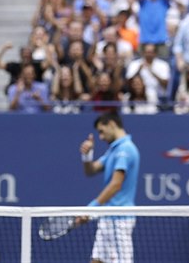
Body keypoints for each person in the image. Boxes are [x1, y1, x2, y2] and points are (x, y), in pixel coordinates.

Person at [78, 112, 140, 263]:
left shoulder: (125, 149)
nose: (100, 137)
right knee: (97, 261)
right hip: (107, 216)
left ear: (112, 124)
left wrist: (92, 208)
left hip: (120, 219)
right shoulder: (113, 150)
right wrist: (87, 156)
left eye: (101, 131)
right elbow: (90, 170)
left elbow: (116, 184)